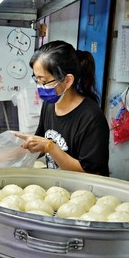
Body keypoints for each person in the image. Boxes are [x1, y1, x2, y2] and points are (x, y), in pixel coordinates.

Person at [15, 40, 110, 176]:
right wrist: (7, 155)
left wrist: (50, 147)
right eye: (37, 80)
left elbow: (90, 172)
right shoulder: (49, 105)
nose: (40, 87)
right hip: (58, 185)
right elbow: (40, 142)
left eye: (44, 81)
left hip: (84, 191)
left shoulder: (91, 117)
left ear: (67, 80)